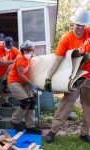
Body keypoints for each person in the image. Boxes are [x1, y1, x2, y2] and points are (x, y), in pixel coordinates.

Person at [45, 8, 90, 143]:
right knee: (67, 103)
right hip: (75, 77)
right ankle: (53, 131)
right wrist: (48, 77)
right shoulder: (66, 38)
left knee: (88, 105)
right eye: (78, 24)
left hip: (89, 77)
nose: (80, 28)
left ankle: (84, 133)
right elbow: (57, 60)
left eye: (83, 25)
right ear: (73, 23)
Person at [7, 40, 41, 134]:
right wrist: (32, 83)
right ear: (22, 51)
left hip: (24, 82)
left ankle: (30, 126)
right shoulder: (20, 58)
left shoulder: (30, 57)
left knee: (32, 102)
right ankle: (15, 121)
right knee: (26, 102)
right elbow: (21, 74)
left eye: (30, 51)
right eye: (26, 51)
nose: (28, 53)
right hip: (14, 82)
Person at [0, 36, 20, 120]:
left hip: (4, 72)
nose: (8, 49)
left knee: (8, 85)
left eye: (10, 47)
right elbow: (0, 63)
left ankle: (5, 101)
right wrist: (13, 61)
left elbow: (20, 56)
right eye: (6, 47)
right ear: (3, 43)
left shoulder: (13, 49)